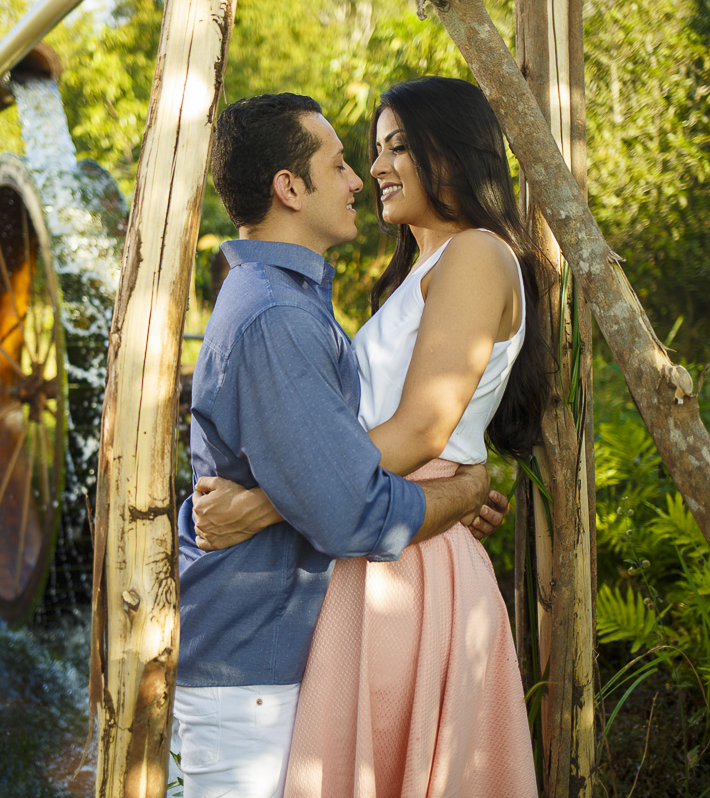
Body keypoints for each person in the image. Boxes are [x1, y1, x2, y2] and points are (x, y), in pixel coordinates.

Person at [193, 77, 548, 797]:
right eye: (371, 151)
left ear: (454, 151)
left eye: (399, 147)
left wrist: (266, 503)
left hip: (410, 561)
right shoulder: (419, 272)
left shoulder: (476, 255)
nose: (375, 169)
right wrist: (458, 488)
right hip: (379, 539)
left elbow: (423, 428)